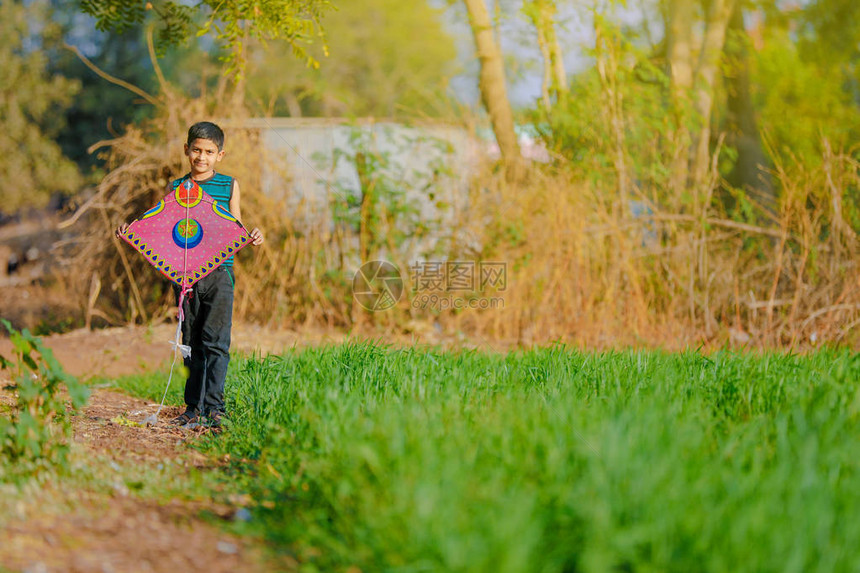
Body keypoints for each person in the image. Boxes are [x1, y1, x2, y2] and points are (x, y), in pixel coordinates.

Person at [116, 121, 264, 429]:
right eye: (196, 150)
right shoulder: (177, 188)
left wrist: (252, 235)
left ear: (220, 155)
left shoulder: (229, 185)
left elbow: (234, 226)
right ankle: (193, 408)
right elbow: (161, 227)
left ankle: (216, 408)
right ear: (187, 150)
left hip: (220, 275)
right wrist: (132, 231)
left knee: (217, 342)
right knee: (190, 341)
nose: (202, 157)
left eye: (209, 152)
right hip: (186, 279)